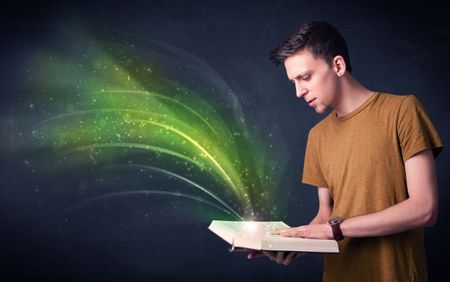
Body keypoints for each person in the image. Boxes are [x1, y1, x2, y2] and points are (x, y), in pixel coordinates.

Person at [248, 21, 443, 282]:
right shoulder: (317, 136)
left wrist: (334, 230)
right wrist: (292, 242)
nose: (298, 91)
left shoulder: (403, 111)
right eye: (293, 82)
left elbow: (425, 208)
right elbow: (326, 216)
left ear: (338, 65)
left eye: (305, 77)